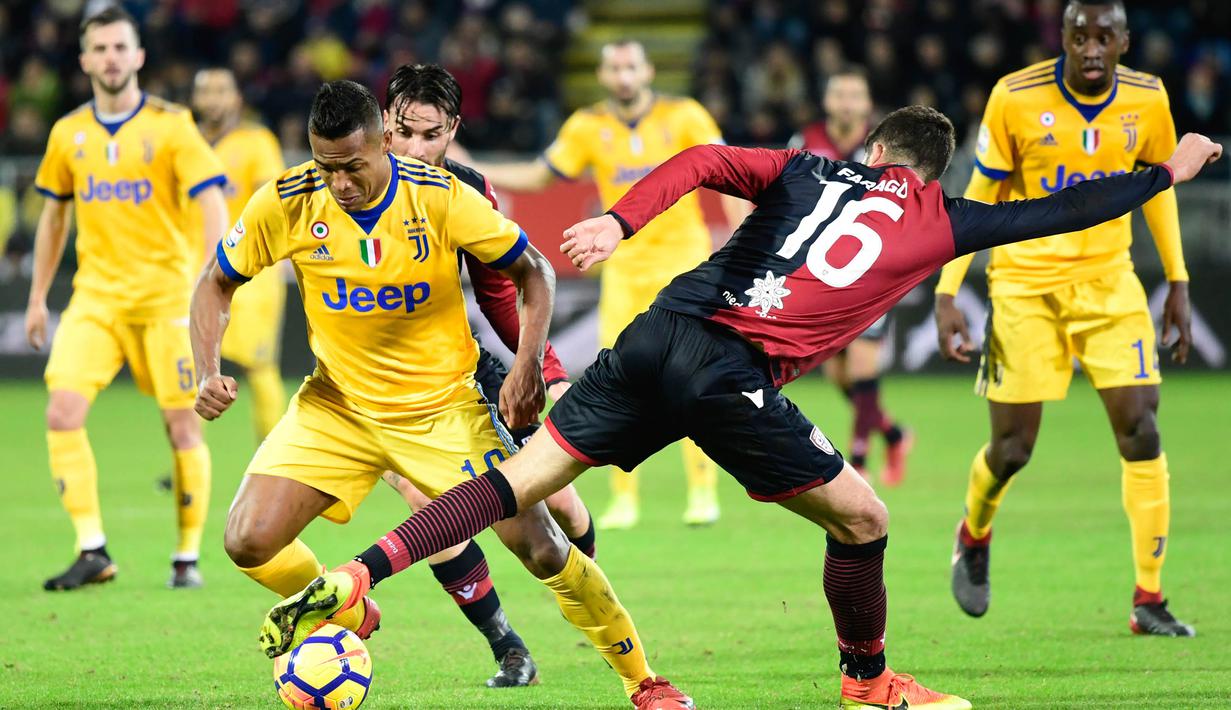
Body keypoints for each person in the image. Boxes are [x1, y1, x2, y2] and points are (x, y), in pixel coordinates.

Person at [261, 107, 1220, 707]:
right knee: (863, 519)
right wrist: (1161, 175)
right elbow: (1058, 210)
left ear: (873, 150)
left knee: (517, 484)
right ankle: (869, 682)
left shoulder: (805, 168)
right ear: (926, 173)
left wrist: (620, 217)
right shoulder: (940, 217)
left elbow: (708, 158)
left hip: (653, 332)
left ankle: (358, 572)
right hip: (731, 372)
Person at [194, 80, 690, 709]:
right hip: (336, 406)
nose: (341, 183)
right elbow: (215, 282)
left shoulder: (441, 195)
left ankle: (644, 681)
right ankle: (346, 606)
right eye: (328, 167)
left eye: (353, 166)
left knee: (542, 546)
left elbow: (532, 272)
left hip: (444, 408)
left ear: (382, 145)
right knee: (246, 539)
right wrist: (207, 367)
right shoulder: (287, 200)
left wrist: (529, 367)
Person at [934, 0, 1196, 635]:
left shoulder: (1148, 98)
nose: (1092, 48)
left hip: (1110, 283)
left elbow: (1159, 188)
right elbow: (981, 193)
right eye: (1080, 35)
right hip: (1025, 285)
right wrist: (947, 289)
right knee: (1013, 449)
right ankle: (974, 532)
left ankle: (1149, 598)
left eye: (1105, 35)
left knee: (1142, 429)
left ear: (1125, 40)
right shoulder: (1014, 96)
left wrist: (1178, 281)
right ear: (1064, 38)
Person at [376, 62, 598, 687]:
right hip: (379, 385)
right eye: (403, 132)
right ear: (384, 124)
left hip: (466, 367)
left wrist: (543, 373)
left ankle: (592, 605)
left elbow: (502, 292)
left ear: (452, 132)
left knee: (558, 499)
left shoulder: (468, 190)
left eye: (431, 136)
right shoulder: (351, 181)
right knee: (427, 502)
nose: (415, 149)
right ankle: (508, 648)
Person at [471, 39, 744, 530]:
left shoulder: (685, 116)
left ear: (648, 69)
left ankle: (703, 490)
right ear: (602, 74)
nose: (623, 76)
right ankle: (625, 496)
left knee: (697, 379)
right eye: (615, 67)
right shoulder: (588, 126)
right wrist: (477, 170)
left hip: (685, 267)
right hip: (623, 270)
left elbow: (729, 174)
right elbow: (540, 175)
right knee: (616, 381)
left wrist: (742, 244)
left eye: (631, 66)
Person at [25, 6, 227, 591]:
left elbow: (211, 201)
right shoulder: (69, 133)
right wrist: (39, 296)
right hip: (96, 299)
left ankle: (186, 558)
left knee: (182, 427)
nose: (111, 58)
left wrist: (216, 279)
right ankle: (92, 550)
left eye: (120, 47)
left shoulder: (171, 126)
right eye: (100, 49)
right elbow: (53, 220)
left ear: (138, 56)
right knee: (61, 413)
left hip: (166, 299)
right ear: (85, 59)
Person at [791, 66, 911, 485]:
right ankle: (895, 435)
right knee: (839, 375)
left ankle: (858, 462)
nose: (846, 103)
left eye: (853, 96)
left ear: (866, 103)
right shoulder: (805, 142)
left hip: (873, 267)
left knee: (862, 366)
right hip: (821, 269)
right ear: (827, 102)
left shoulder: (887, 145)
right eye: (838, 95)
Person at [191, 67, 288, 442]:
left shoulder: (257, 142)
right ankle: (188, 450)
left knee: (259, 365)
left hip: (252, 272)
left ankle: (274, 456)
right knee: (194, 364)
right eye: (206, 90)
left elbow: (272, 203)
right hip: (196, 270)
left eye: (221, 90)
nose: (213, 98)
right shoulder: (186, 143)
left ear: (236, 99)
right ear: (196, 99)